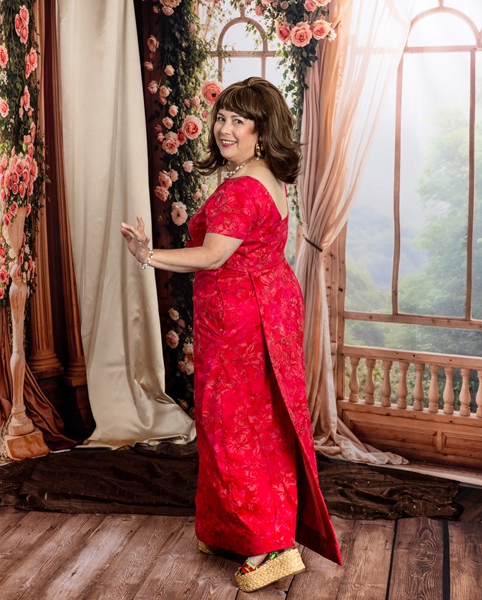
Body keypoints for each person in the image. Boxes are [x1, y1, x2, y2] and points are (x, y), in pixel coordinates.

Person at [121, 76, 341, 592]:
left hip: (242, 317)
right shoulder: (266, 177)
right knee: (259, 421)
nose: (224, 128)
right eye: (221, 117)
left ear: (262, 130)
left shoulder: (243, 188)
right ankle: (236, 529)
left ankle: (270, 545)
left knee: (236, 425)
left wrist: (147, 255)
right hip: (265, 307)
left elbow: (214, 256)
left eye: (239, 120)